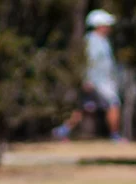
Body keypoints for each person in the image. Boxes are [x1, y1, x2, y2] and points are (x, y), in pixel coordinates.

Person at [52, 9, 125, 143]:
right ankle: (115, 136)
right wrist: (88, 80)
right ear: (99, 25)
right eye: (106, 24)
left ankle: (62, 130)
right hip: (99, 82)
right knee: (114, 104)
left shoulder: (103, 41)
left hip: (102, 81)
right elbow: (89, 62)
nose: (109, 27)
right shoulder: (93, 41)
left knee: (85, 108)